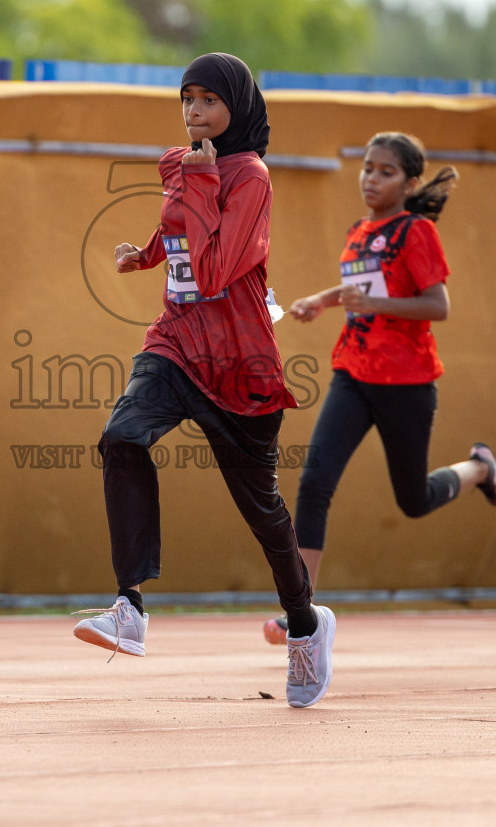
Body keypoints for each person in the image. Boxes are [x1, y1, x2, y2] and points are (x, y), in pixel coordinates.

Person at [70, 53, 335, 708]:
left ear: (237, 107)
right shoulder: (179, 165)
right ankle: (128, 605)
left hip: (240, 361)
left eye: (209, 100)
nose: (194, 111)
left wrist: (204, 181)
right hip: (176, 342)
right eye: (187, 98)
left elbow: (216, 270)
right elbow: (178, 232)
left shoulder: (250, 177)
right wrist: (146, 255)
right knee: (123, 437)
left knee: (263, 511)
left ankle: (304, 623)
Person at [262, 132, 496, 645]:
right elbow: (361, 287)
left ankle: (481, 467)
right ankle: (302, 610)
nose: (371, 178)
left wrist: (371, 306)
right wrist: (323, 300)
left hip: (407, 385)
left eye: (385, 171)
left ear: (410, 182)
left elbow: (436, 305)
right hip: (353, 375)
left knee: (414, 499)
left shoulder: (416, 232)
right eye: (368, 168)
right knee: (314, 483)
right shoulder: (359, 230)